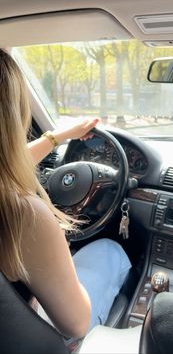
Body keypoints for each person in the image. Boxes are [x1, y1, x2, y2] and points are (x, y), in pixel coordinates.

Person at [0, 48, 131, 340]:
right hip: (39, 335)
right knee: (111, 251)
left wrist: (58, 136)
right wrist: (60, 251)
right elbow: (75, 325)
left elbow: (7, 161)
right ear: (12, 117)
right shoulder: (24, 214)